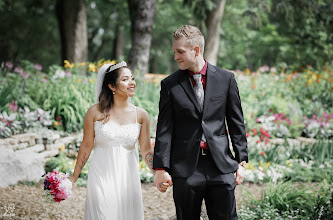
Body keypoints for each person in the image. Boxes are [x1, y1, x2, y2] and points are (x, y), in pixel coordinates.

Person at [153, 25, 248, 220]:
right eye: (174, 52)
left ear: (196, 50)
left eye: (180, 52)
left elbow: (236, 122)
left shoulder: (226, 79)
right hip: (186, 168)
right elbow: (164, 129)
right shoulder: (169, 85)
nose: (175, 57)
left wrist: (242, 161)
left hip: (220, 165)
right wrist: (161, 168)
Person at [69, 61, 165, 220]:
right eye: (125, 79)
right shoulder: (95, 112)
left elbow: (146, 149)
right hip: (101, 174)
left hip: (128, 176)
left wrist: (157, 174)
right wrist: (74, 177)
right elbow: (86, 146)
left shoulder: (141, 115)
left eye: (132, 78)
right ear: (112, 86)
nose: (132, 83)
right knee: (101, 214)